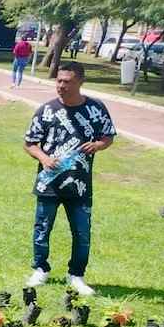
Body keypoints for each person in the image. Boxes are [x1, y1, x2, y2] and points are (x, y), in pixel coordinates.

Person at [23, 61, 114, 297]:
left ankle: (77, 275)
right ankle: (40, 269)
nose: (61, 86)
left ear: (80, 82)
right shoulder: (46, 110)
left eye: (67, 82)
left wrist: (98, 145)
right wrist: (43, 158)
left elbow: (108, 136)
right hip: (49, 182)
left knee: (82, 232)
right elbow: (30, 143)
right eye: (59, 81)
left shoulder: (95, 109)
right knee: (42, 228)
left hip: (80, 184)